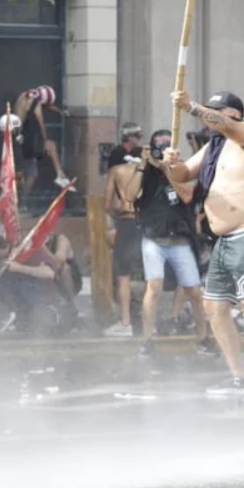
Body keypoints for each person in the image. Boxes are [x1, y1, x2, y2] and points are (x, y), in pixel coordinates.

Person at [161, 89, 244, 403]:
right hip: (225, 239)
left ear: (234, 114)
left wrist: (191, 106)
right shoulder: (213, 146)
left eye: (217, 111)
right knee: (214, 306)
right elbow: (183, 175)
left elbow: (220, 122)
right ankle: (239, 377)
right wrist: (169, 164)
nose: (209, 117)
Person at [134, 129, 211, 358]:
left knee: (194, 292)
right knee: (154, 288)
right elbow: (129, 195)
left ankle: (203, 338)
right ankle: (147, 340)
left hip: (179, 239)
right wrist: (143, 164)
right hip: (153, 239)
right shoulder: (145, 171)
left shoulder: (183, 169)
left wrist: (167, 170)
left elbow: (188, 196)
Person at [102, 130, 144, 337]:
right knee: (151, 276)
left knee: (123, 276)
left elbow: (107, 203)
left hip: (126, 223)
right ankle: (149, 322)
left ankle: (126, 322)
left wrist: (118, 212)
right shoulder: (149, 172)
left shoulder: (116, 171)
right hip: (147, 225)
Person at [15, 86, 71, 191]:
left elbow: (47, 106)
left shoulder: (24, 96)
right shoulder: (36, 103)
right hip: (27, 141)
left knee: (28, 173)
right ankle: (60, 175)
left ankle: (20, 200)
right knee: (51, 145)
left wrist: (59, 111)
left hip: (18, 138)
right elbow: (41, 123)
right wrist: (44, 141)